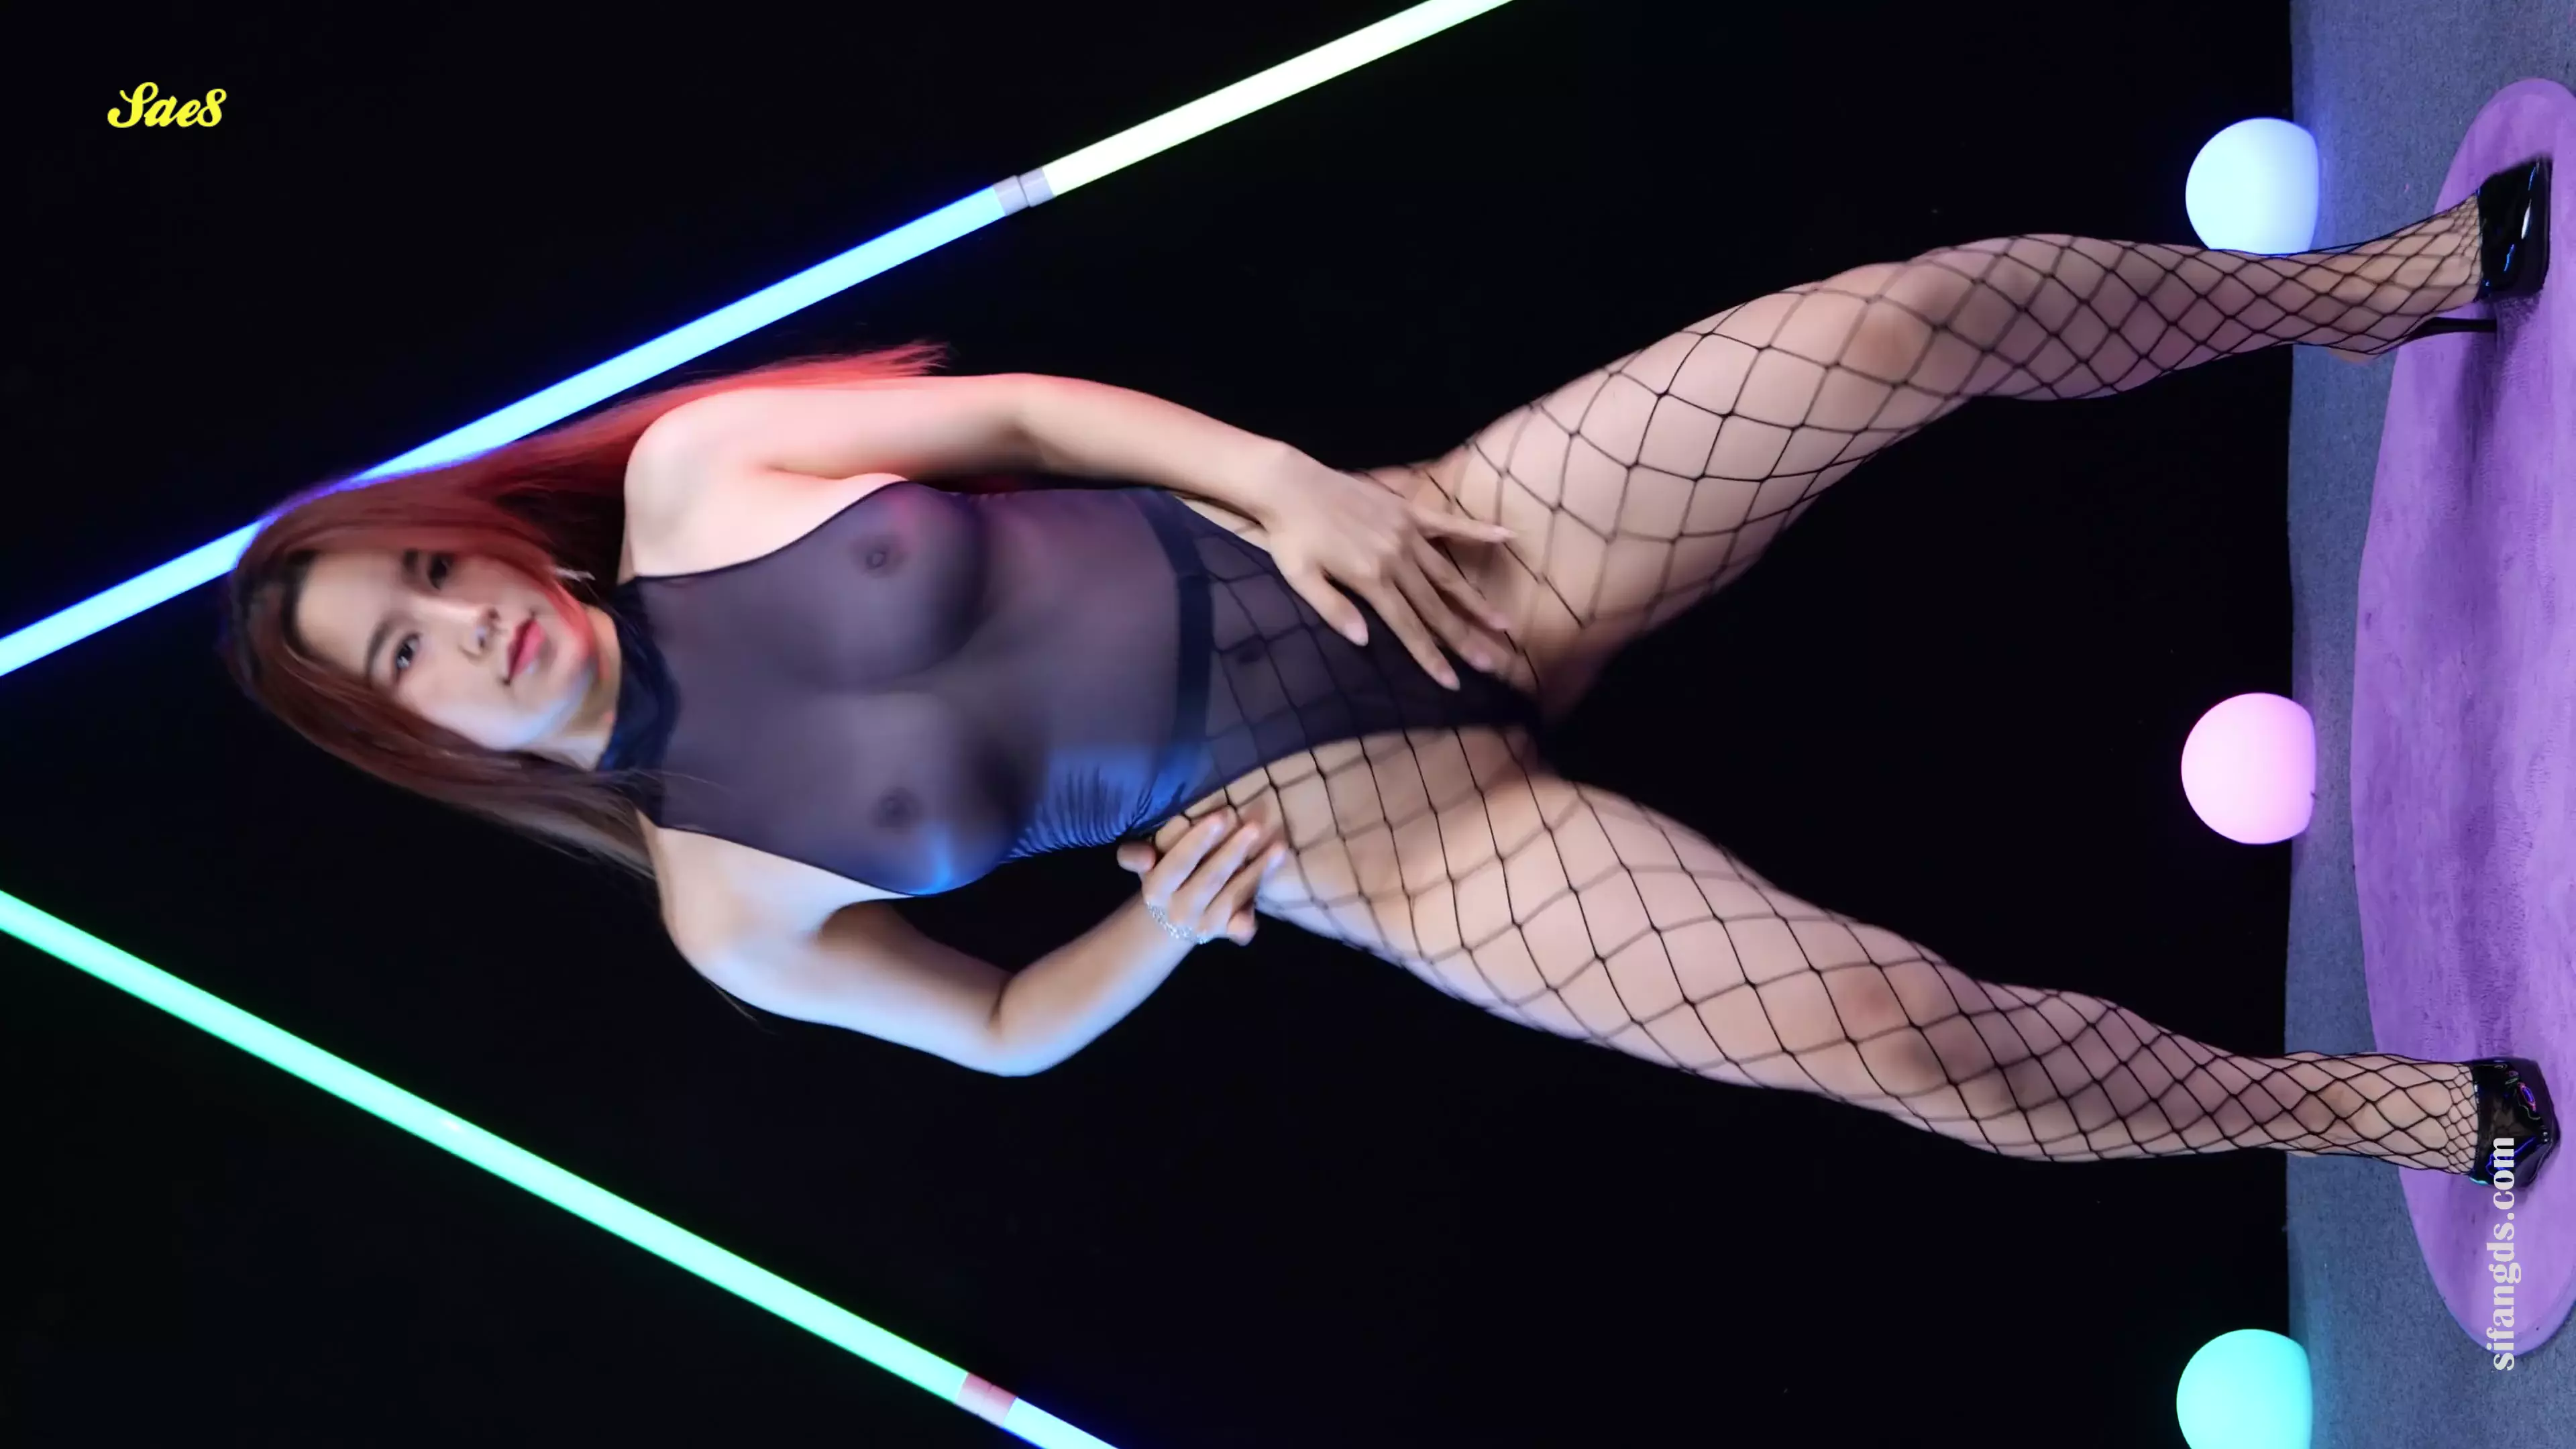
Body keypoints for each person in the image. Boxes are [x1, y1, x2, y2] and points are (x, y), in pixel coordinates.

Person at [222, 158, 2557, 1187]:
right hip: (1411, 850)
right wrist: (1156, 930)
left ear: (474, 528)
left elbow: (1017, 420)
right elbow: (1002, 1029)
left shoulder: (701, 472)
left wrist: (1290, 482)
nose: (462, 622)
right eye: (405, 655)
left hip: (1437, 549)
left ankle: (2382, 289)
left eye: (426, 568)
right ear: (411, 739)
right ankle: (2364, 1115)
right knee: (1893, 1035)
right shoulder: (721, 911)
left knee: (1907, 324)